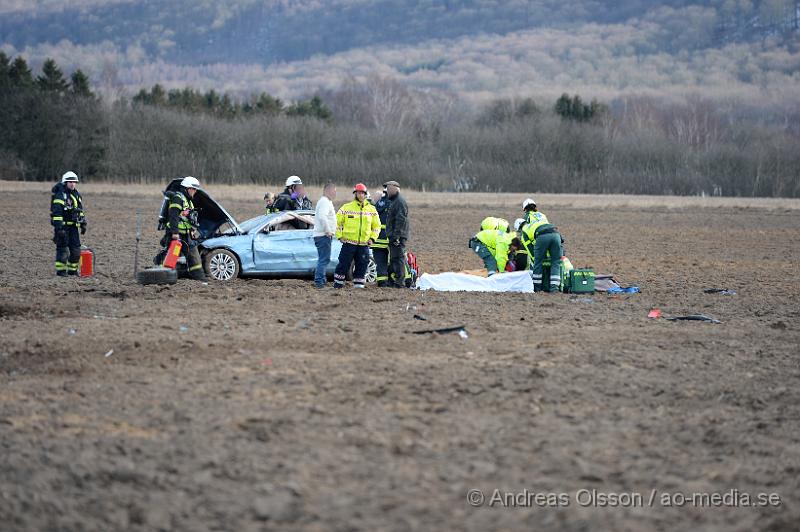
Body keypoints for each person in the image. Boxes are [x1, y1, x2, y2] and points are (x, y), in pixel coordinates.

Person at [333, 183, 380, 289]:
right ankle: (338, 284)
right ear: (355, 194)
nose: (360, 195)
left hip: (364, 244)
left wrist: (372, 238)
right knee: (343, 264)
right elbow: (336, 223)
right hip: (349, 243)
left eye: (362, 193)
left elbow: (377, 226)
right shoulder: (346, 207)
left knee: (362, 265)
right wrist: (340, 236)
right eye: (358, 193)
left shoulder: (372, 210)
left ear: (365, 194)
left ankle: (359, 285)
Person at [163, 176, 207, 281]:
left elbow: (188, 219)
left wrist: (192, 230)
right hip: (176, 236)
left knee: (195, 258)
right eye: (194, 189)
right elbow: (173, 216)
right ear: (187, 188)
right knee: (172, 258)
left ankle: (201, 280)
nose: (195, 191)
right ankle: (165, 278)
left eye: (196, 189)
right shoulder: (178, 198)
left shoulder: (189, 202)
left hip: (187, 236)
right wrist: (175, 233)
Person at [50, 171, 86, 276]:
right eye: (70, 181)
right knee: (63, 250)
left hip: (74, 227)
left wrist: (83, 223)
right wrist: (59, 228)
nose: (72, 183)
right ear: (65, 182)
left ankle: (72, 270)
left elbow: (80, 210)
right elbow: (57, 213)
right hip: (63, 227)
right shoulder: (60, 195)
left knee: (76, 251)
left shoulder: (76, 194)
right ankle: (61, 271)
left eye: (74, 182)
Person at [520, 219, 563, 292]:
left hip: (542, 236)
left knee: (538, 262)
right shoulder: (539, 222)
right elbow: (561, 240)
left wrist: (535, 259)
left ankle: (537, 288)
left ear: (520, 228)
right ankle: (554, 288)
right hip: (556, 235)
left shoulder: (524, 231)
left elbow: (529, 248)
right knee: (556, 262)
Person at [384, 180, 410, 288]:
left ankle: (400, 282)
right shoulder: (394, 201)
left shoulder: (399, 202)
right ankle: (394, 281)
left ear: (395, 188)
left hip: (397, 236)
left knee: (398, 258)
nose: (387, 191)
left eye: (388, 188)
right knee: (394, 259)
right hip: (394, 235)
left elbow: (401, 220)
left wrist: (397, 236)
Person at [313, 183, 337, 288]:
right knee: (324, 259)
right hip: (323, 235)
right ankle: (319, 282)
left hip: (323, 235)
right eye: (334, 191)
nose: (335, 193)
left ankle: (322, 280)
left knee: (323, 258)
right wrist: (328, 231)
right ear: (327, 190)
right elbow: (323, 217)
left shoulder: (326, 202)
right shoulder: (324, 202)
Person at [370, 184, 392, 287]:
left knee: (380, 262)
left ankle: (382, 282)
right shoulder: (392, 203)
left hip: (376, 239)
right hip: (388, 239)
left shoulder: (377, 204)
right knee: (394, 260)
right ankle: (393, 281)